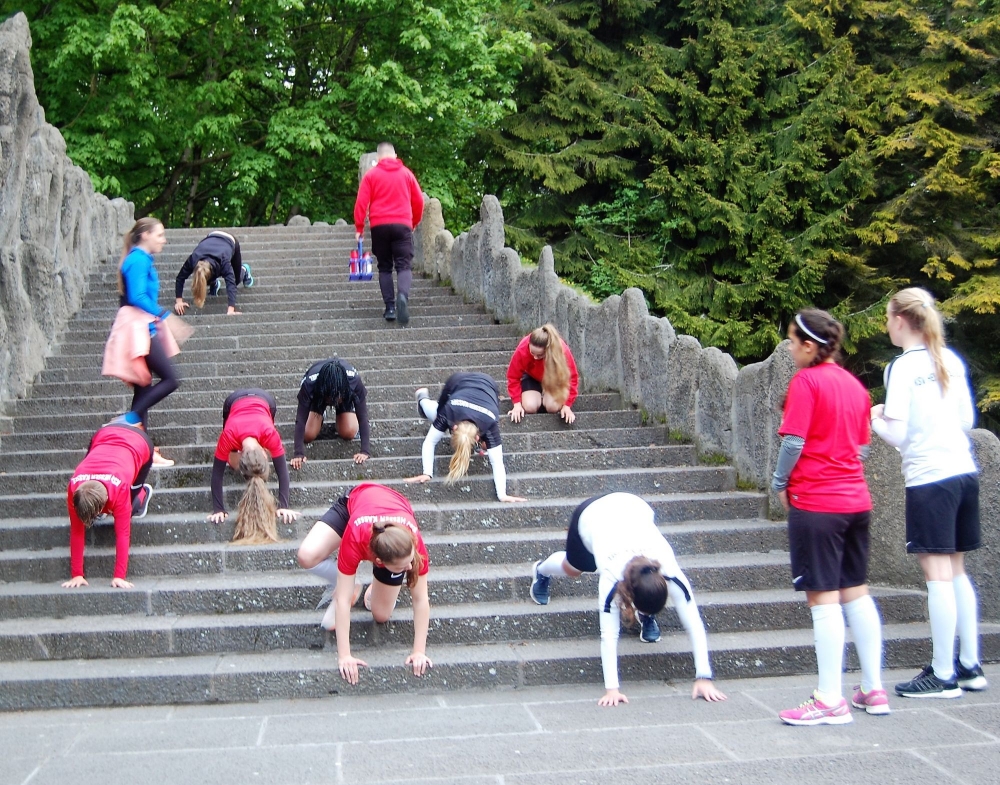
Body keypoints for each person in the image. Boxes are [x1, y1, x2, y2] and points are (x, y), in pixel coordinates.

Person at [871, 287, 987, 698]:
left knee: (936, 577)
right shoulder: (949, 359)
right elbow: (967, 419)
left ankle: (941, 673)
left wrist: (875, 418)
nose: (887, 325)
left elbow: (898, 434)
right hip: (962, 471)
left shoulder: (901, 368)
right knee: (956, 571)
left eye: (888, 318)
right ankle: (969, 665)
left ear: (902, 321)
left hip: (929, 478)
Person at [772, 309, 886, 726]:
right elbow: (863, 447)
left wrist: (779, 482)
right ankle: (873, 688)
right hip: (856, 501)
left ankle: (829, 699)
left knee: (822, 599)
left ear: (809, 346)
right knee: (856, 592)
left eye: (792, 341)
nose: (789, 348)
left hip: (817, 502)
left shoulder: (806, 382)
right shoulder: (855, 386)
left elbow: (794, 441)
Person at [529, 492, 728, 707]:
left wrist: (704, 677)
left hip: (634, 508)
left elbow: (694, 622)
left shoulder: (669, 570)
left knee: (651, 594)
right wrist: (612, 689)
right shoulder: (611, 578)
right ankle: (541, 570)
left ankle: (647, 616)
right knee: (573, 569)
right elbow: (609, 634)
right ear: (630, 595)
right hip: (592, 517)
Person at [295, 482, 433, 682]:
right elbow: (342, 600)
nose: (410, 567)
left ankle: (376, 588)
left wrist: (419, 651)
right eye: (403, 567)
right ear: (379, 562)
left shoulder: (413, 543)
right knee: (306, 555)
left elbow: (421, 599)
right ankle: (357, 585)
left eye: (409, 562)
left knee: (381, 614)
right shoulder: (355, 537)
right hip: (354, 505)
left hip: (391, 518)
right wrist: (345, 656)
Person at [114, 217, 181, 465]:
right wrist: (165, 315)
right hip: (139, 328)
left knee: (143, 387)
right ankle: (129, 420)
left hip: (142, 327)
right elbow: (137, 296)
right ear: (145, 235)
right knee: (171, 379)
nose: (164, 239)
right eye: (159, 234)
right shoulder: (138, 260)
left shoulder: (140, 259)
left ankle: (143, 450)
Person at [62, 418, 155, 590]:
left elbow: (123, 533)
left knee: (131, 505)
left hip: (139, 442)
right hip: (103, 435)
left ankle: (143, 492)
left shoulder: (120, 488)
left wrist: (119, 576)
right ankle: (103, 509)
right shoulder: (74, 487)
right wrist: (77, 574)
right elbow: (76, 530)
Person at [405, 373, 526, 503]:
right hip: (458, 381)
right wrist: (502, 495)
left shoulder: (489, 422)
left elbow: (430, 441)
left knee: (440, 417)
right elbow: (497, 462)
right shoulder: (450, 411)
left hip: (488, 386)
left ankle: (424, 400)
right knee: (438, 414)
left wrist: (427, 472)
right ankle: (422, 399)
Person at [209, 388, 300, 543]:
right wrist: (282, 505)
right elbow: (282, 472)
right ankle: (236, 455)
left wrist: (219, 509)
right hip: (234, 402)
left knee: (228, 453)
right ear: (264, 453)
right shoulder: (230, 435)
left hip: (264, 402)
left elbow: (217, 473)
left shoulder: (267, 433)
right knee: (231, 460)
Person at [353, 142, 424, 325]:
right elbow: (418, 201)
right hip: (402, 224)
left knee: (384, 267)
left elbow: (361, 203)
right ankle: (403, 296)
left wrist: (359, 228)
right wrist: (414, 222)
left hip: (379, 226)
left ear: (378, 157)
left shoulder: (371, 175)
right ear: (395, 155)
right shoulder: (407, 174)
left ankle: (390, 308)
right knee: (403, 266)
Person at [291, 358, 371, 469]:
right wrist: (298, 453)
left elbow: (363, 417)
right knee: (307, 434)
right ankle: (320, 414)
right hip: (319, 397)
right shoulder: (309, 384)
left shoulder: (354, 381)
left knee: (348, 432)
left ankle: (343, 414)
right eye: (331, 398)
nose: (334, 400)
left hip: (345, 394)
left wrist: (365, 451)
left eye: (336, 397)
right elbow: (300, 419)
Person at [507, 324, 579, 425]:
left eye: (540, 355)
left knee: (553, 407)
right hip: (531, 377)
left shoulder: (562, 350)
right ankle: (539, 398)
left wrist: (567, 406)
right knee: (529, 407)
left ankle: (546, 398)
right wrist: (517, 404)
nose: (535, 358)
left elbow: (572, 378)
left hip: (553, 379)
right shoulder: (522, 348)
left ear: (548, 350)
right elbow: (513, 377)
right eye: (532, 353)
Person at [174, 231, 253, 316]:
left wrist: (231, 309)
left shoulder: (224, 261)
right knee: (201, 279)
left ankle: (244, 269)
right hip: (211, 237)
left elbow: (231, 284)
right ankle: (214, 284)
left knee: (236, 280)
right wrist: (179, 301)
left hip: (229, 240)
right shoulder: (194, 258)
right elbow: (180, 278)